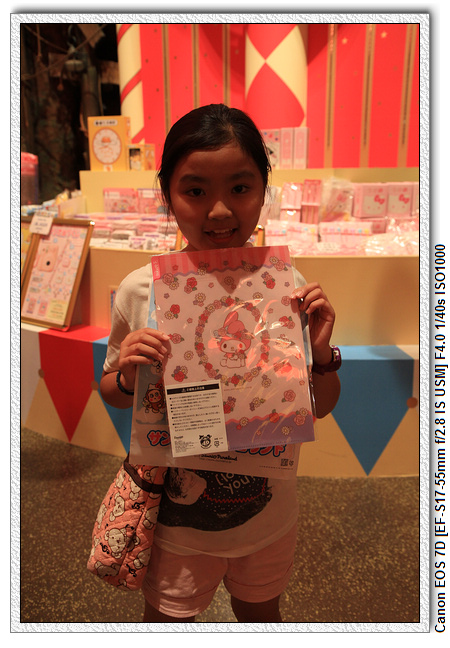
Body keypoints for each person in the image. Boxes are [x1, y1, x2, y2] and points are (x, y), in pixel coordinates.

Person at [99, 104, 341, 623]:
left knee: (262, 617)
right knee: (167, 621)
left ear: (263, 189)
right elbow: (111, 390)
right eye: (195, 190)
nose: (219, 211)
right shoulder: (142, 290)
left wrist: (322, 356)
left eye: (240, 187)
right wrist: (128, 374)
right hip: (177, 525)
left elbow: (320, 407)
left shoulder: (286, 288)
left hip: (268, 515)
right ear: (168, 195)